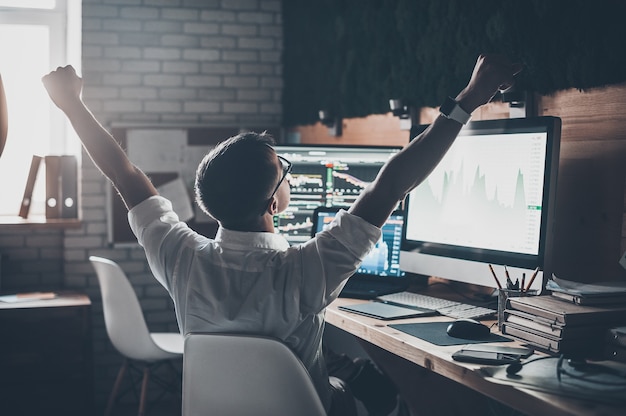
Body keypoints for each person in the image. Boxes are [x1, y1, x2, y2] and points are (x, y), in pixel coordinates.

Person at [42, 54, 521, 415]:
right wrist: (469, 99)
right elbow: (393, 181)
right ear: (274, 203)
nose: (288, 175)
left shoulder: (179, 256)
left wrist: (71, 106)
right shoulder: (308, 268)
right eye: (284, 170)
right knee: (386, 394)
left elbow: (125, 178)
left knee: (343, 367)